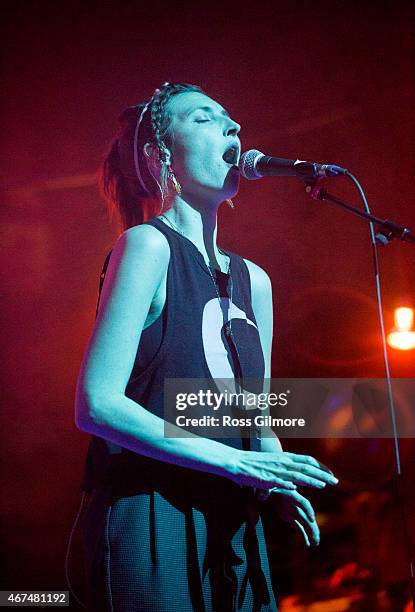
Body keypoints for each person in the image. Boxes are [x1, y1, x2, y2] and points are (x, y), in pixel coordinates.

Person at [75, 81, 339, 612]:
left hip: (234, 523)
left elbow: (256, 418)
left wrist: (277, 476)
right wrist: (236, 463)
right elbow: (97, 405)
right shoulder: (147, 245)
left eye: (230, 117)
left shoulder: (255, 281)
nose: (232, 126)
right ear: (159, 156)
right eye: (203, 118)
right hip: (150, 513)